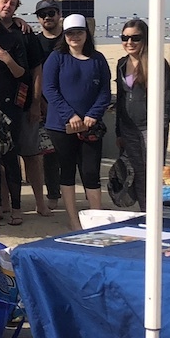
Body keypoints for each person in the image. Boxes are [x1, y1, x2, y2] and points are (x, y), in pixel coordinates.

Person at [42, 13, 112, 230]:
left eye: (79, 32)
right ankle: (73, 219)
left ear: (86, 33)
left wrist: (93, 114)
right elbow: (49, 89)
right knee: (67, 171)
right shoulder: (56, 58)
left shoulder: (98, 59)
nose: (74, 37)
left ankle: (96, 218)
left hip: (91, 126)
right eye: (70, 33)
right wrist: (70, 115)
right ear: (64, 35)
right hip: (62, 126)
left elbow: (105, 91)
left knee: (91, 172)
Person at [115, 19, 170, 210]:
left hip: (150, 127)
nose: (129, 42)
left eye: (135, 38)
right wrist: (118, 132)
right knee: (137, 172)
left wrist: (161, 127)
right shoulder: (121, 63)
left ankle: (156, 212)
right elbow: (120, 99)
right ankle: (145, 211)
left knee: (153, 172)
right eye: (125, 37)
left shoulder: (157, 63)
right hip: (128, 128)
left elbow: (167, 97)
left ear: (145, 39)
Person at [0, 0, 31, 224]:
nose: (7, 6)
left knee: (10, 158)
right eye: (4, 1)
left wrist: (7, 59)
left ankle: (16, 207)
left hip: (10, 106)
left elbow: (22, 73)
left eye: (12, 3)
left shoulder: (17, 36)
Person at [30, 0, 65, 210]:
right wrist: (39, 102)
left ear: (59, 14)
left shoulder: (69, 38)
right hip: (45, 104)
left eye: (51, 13)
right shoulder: (35, 41)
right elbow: (33, 73)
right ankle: (53, 194)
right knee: (49, 152)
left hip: (69, 103)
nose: (47, 17)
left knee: (73, 154)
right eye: (42, 14)